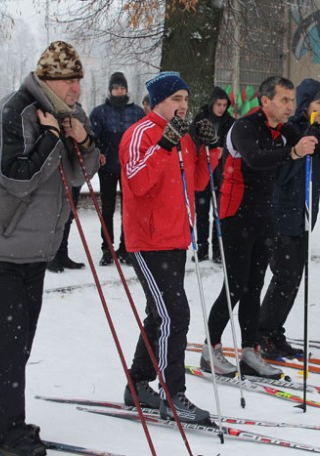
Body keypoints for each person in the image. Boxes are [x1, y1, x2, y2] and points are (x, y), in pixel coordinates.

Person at [0, 40, 99, 455]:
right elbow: (16, 177)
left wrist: (83, 139)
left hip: (34, 245)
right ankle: (5, 434)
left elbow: (82, 173)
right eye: (69, 80)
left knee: (8, 337)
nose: (76, 88)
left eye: (78, 80)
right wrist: (53, 137)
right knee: (10, 340)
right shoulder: (16, 110)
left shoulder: (70, 114)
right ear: (47, 80)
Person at [201, 76, 320, 378]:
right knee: (235, 286)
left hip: (264, 216)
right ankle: (211, 348)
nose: (290, 106)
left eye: (292, 100)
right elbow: (256, 159)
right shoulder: (245, 127)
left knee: (255, 287)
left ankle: (250, 350)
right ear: (265, 100)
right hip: (235, 216)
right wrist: (294, 152)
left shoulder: (285, 130)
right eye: (284, 100)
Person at [119, 71, 220, 422]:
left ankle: (138, 384)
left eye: (186, 100)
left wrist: (211, 147)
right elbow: (137, 182)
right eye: (176, 99)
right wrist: (164, 145)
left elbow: (198, 181)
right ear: (157, 101)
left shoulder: (185, 138)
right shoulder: (140, 134)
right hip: (148, 242)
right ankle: (172, 393)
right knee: (174, 315)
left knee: (159, 314)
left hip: (176, 237)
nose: (183, 106)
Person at [258, 78, 320, 359]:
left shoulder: (316, 132)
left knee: (294, 278)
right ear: (306, 103)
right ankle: (263, 332)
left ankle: (273, 331)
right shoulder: (289, 131)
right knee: (285, 276)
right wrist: (300, 154)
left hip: (304, 215)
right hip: (281, 215)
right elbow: (280, 174)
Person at [90, 72, 145, 266]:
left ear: (127, 90)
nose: (119, 91)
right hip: (107, 168)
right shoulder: (100, 112)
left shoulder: (137, 112)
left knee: (128, 210)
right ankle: (107, 248)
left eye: (122, 88)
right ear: (110, 90)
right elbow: (92, 137)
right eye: (116, 88)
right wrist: (99, 152)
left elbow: (143, 137)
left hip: (130, 168)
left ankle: (125, 247)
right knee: (107, 208)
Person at [190, 87, 235, 262]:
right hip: (203, 171)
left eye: (224, 105)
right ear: (212, 103)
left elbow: (233, 145)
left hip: (222, 173)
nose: (221, 108)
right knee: (202, 212)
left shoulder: (230, 122)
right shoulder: (201, 119)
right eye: (218, 104)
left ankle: (217, 250)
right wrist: (203, 146)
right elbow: (192, 140)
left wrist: (223, 150)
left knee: (219, 213)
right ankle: (202, 248)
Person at [46, 185, 85, 272]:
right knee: (56, 216)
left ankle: (62, 254)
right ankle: (52, 255)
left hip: (73, 179)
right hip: (57, 180)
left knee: (68, 216)